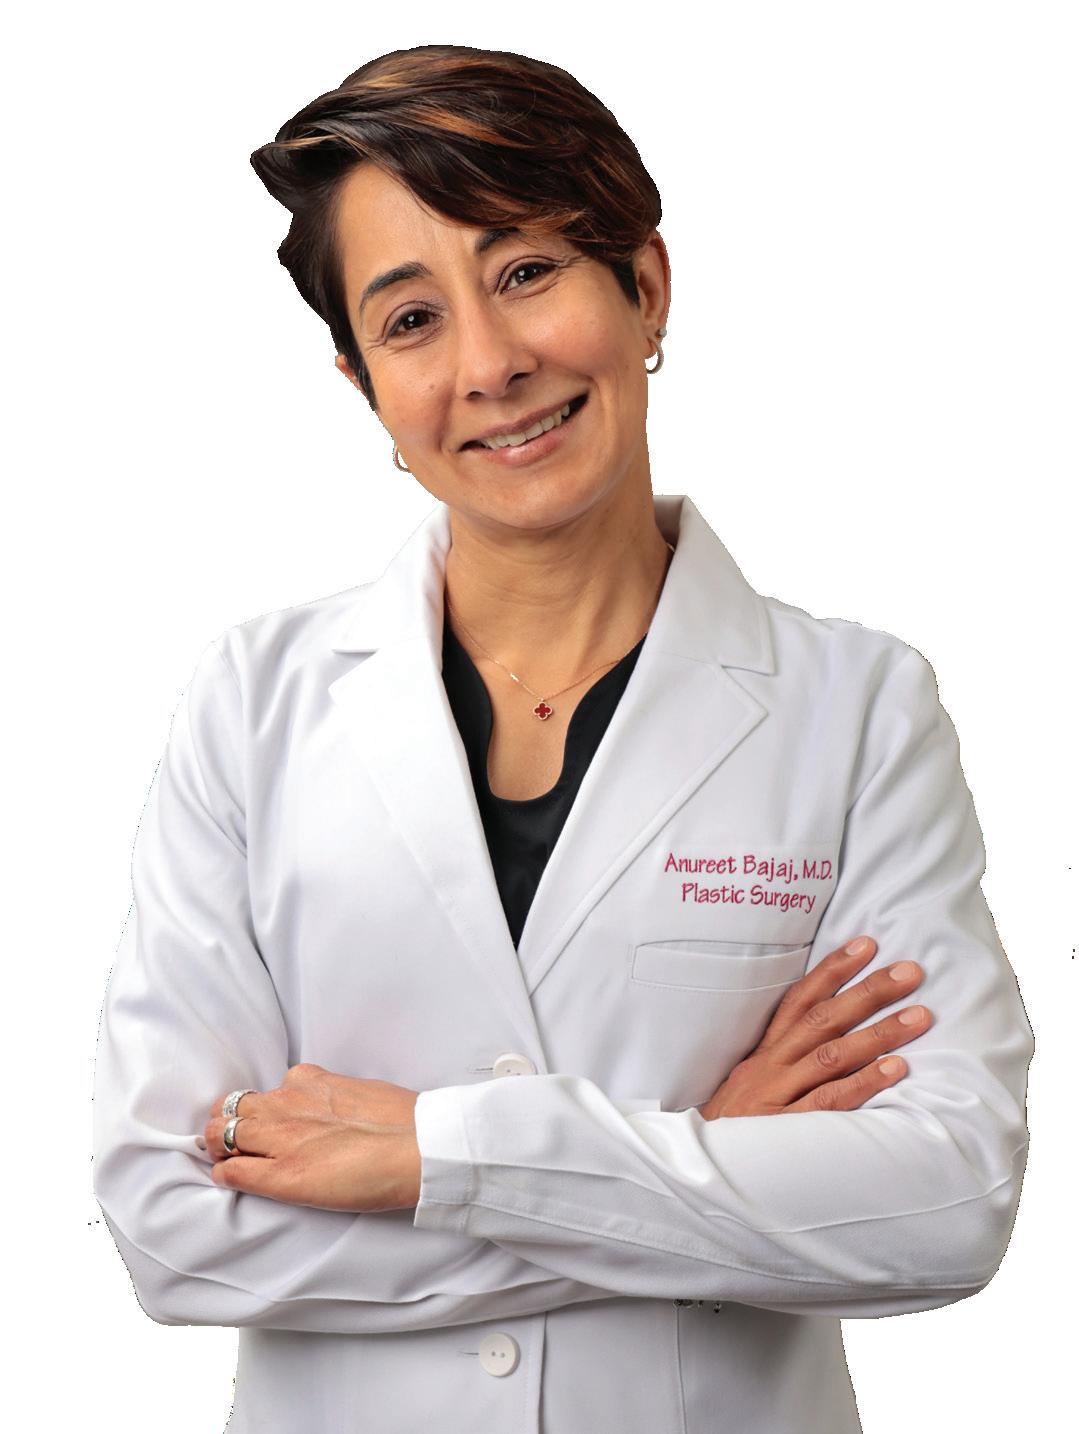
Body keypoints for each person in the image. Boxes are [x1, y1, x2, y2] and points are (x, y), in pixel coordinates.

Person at [92, 44, 1034, 1434]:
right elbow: (169, 1229)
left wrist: (431, 1157)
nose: (490, 363)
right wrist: (711, 1159)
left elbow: (946, 1199)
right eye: (412, 320)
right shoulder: (253, 704)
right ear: (362, 382)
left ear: (644, 285)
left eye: (527, 270)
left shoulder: (858, 709)